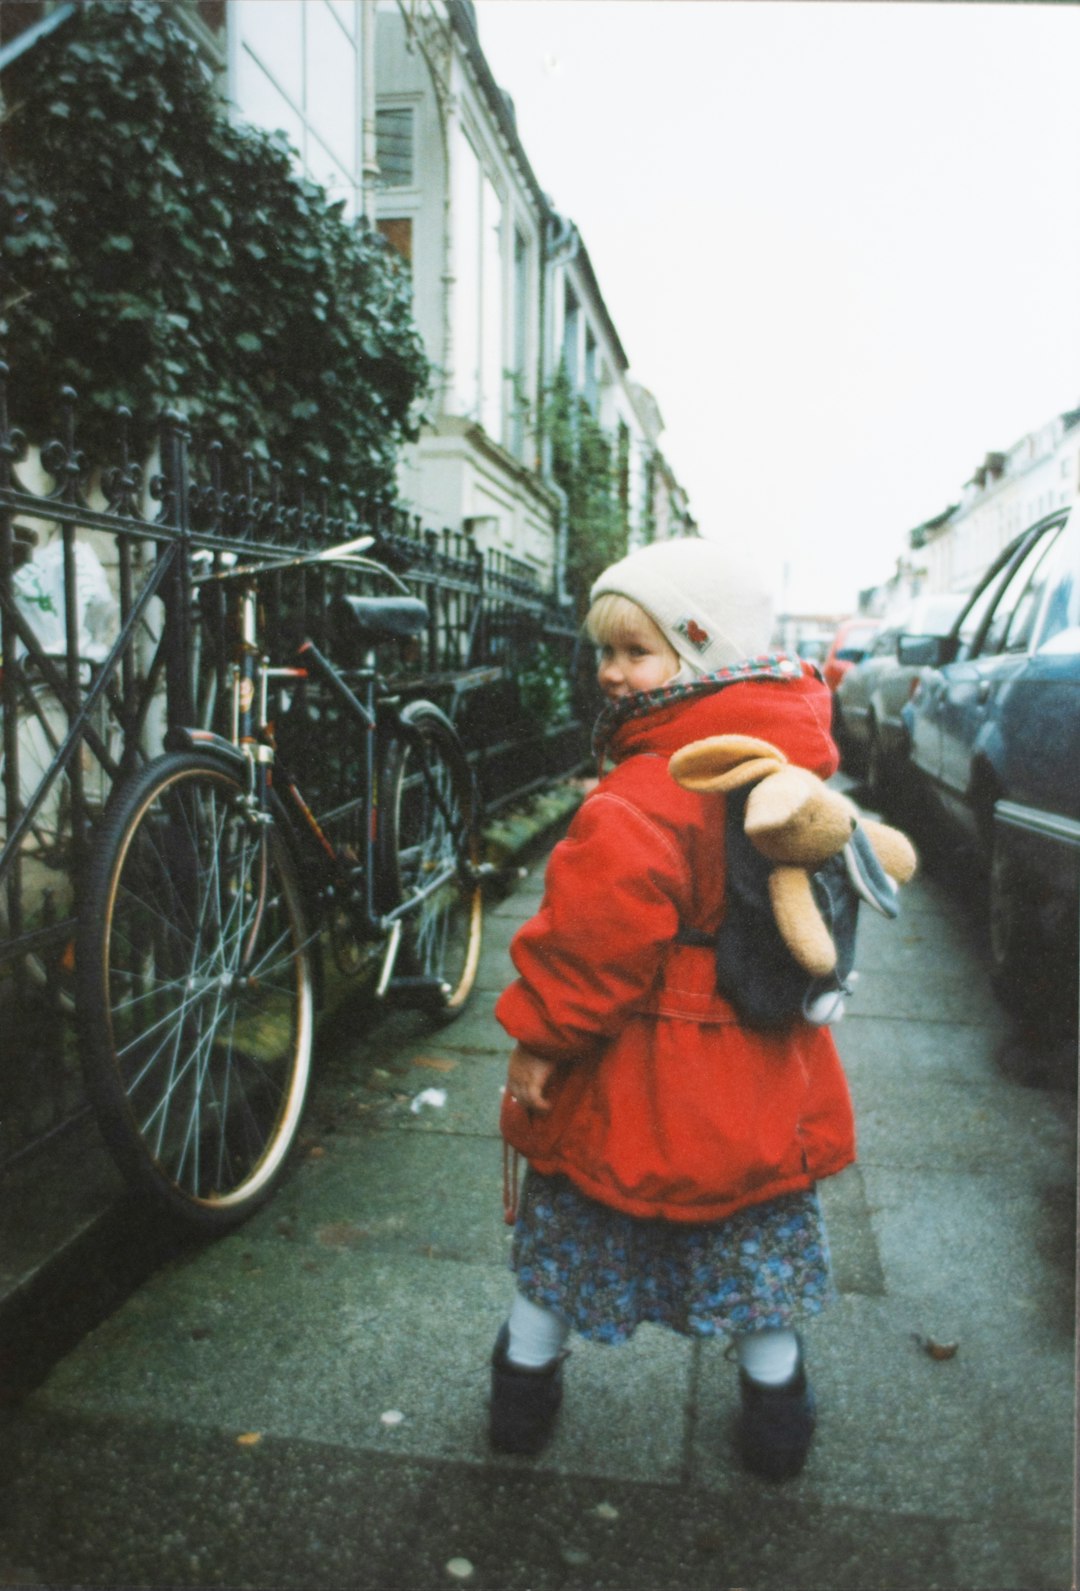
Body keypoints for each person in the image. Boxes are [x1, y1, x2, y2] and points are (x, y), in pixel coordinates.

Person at [490, 536, 855, 1482]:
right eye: (605, 651)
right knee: (752, 1260)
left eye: (637, 652)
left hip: (634, 1077)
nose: (612, 674)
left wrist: (539, 1041)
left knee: (567, 1245)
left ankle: (521, 1397)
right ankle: (779, 1423)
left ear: (699, 659)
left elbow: (589, 947)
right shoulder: (789, 765)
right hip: (755, 1075)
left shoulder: (643, 796)